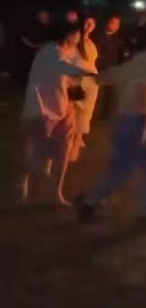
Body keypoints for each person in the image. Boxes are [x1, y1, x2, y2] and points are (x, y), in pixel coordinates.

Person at [75, 25, 146, 223]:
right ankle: (90, 200)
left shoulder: (143, 62)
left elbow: (112, 76)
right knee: (122, 169)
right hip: (134, 121)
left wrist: (97, 78)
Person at [18, 21, 98, 205]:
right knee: (37, 154)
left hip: (63, 108)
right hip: (43, 110)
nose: (79, 38)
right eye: (77, 34)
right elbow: (70, 67)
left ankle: (56, 192)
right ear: (68, 35)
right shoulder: (50, 51)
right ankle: (23, 181)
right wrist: (92, 72)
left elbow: (79, 65)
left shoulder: (68, 50)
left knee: (63, 151)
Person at [72, 17, 100, 152]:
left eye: (91, 23)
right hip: (79, 79)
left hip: (91, 81)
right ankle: (73, 134)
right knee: (77, 108)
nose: (89, 26)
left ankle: (79, 135)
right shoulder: (75, 42)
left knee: (87, 110)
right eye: (87, 24)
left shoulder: (89, 42)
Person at [93, 15, 127, 120]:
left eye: (117, 24)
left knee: (110, 93)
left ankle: (106, 115)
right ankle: (93, 114)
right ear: (107, 23)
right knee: (97, 93)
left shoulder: (118, 39)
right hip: (99, 69)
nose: (115, 26)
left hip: (113, 70)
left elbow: (120, 55)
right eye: (113, 23)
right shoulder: (97, 37)